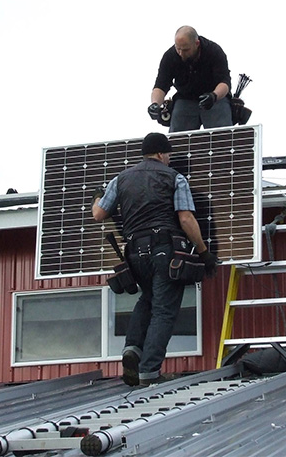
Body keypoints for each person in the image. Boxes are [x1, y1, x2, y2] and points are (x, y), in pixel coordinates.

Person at [92, 132, 217, 387]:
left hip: (135, 253)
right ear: (161, 154)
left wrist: (97, 196)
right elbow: (185, 219)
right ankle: (149, 371)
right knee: (164, 310)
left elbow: (98, 214)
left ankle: (133, 349)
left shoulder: (120, 179)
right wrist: (204, 252)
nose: (169, 160)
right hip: (165, 250)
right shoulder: (174, 178)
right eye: (168, 155)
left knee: (147, 299)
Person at [148, 25, 233, 132]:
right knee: (178, 141)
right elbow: (160, 86)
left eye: (186, 50)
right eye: (178, 49)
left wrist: (213, 96)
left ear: (196, 43)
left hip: (214, 98)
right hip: (185, 99)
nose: (181, 53)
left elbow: (224, 82)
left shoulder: (214, 51)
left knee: (222, 137)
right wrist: (155, 104)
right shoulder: (170, 56)